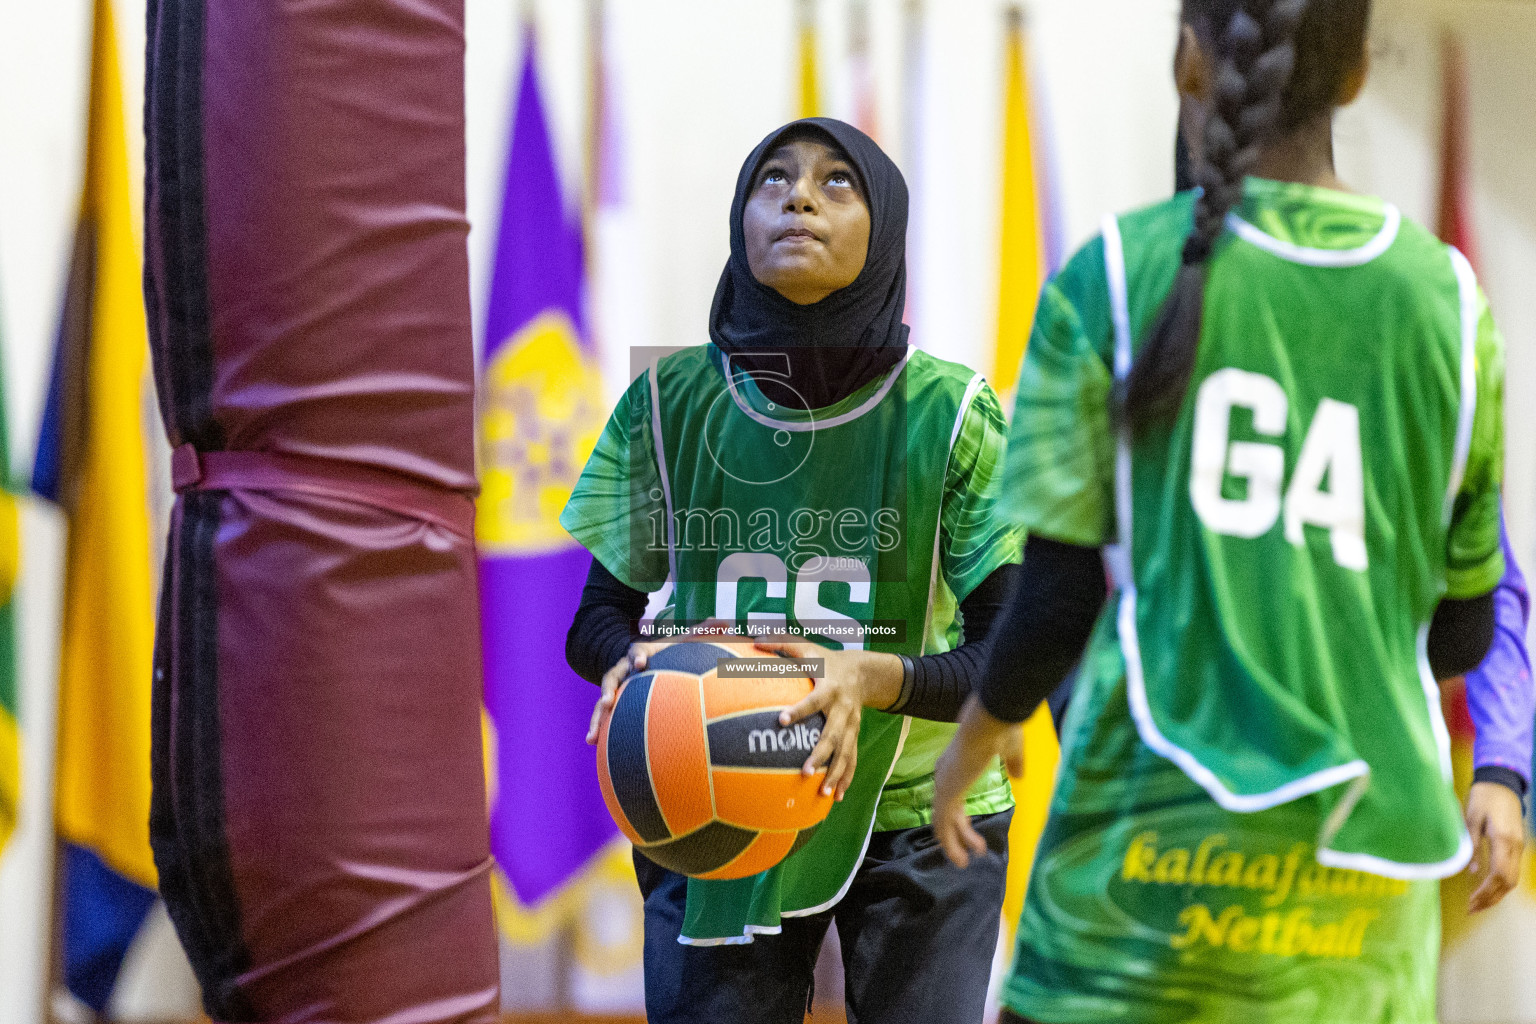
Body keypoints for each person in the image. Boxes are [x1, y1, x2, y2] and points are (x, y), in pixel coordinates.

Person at [931, 1, 1523, 1021]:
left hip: (1139, 846)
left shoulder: (1112, 277)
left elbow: (1054, 600)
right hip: (1359, 874)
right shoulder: (1449, 300)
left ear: (1189, 62)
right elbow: (1463, 631)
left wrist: (975, 739)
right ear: (1351, 82)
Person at [561, 118, 1023, 1023]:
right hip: (718, 786)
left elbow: (1011, 649)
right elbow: (595, 620)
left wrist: (873, 678)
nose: (799, 196)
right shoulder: (667, 400)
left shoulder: (953, 409)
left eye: (836, 181)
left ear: (884, 224)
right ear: (741, 221)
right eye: (771, 180)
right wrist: (633, 663)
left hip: (917, 809)